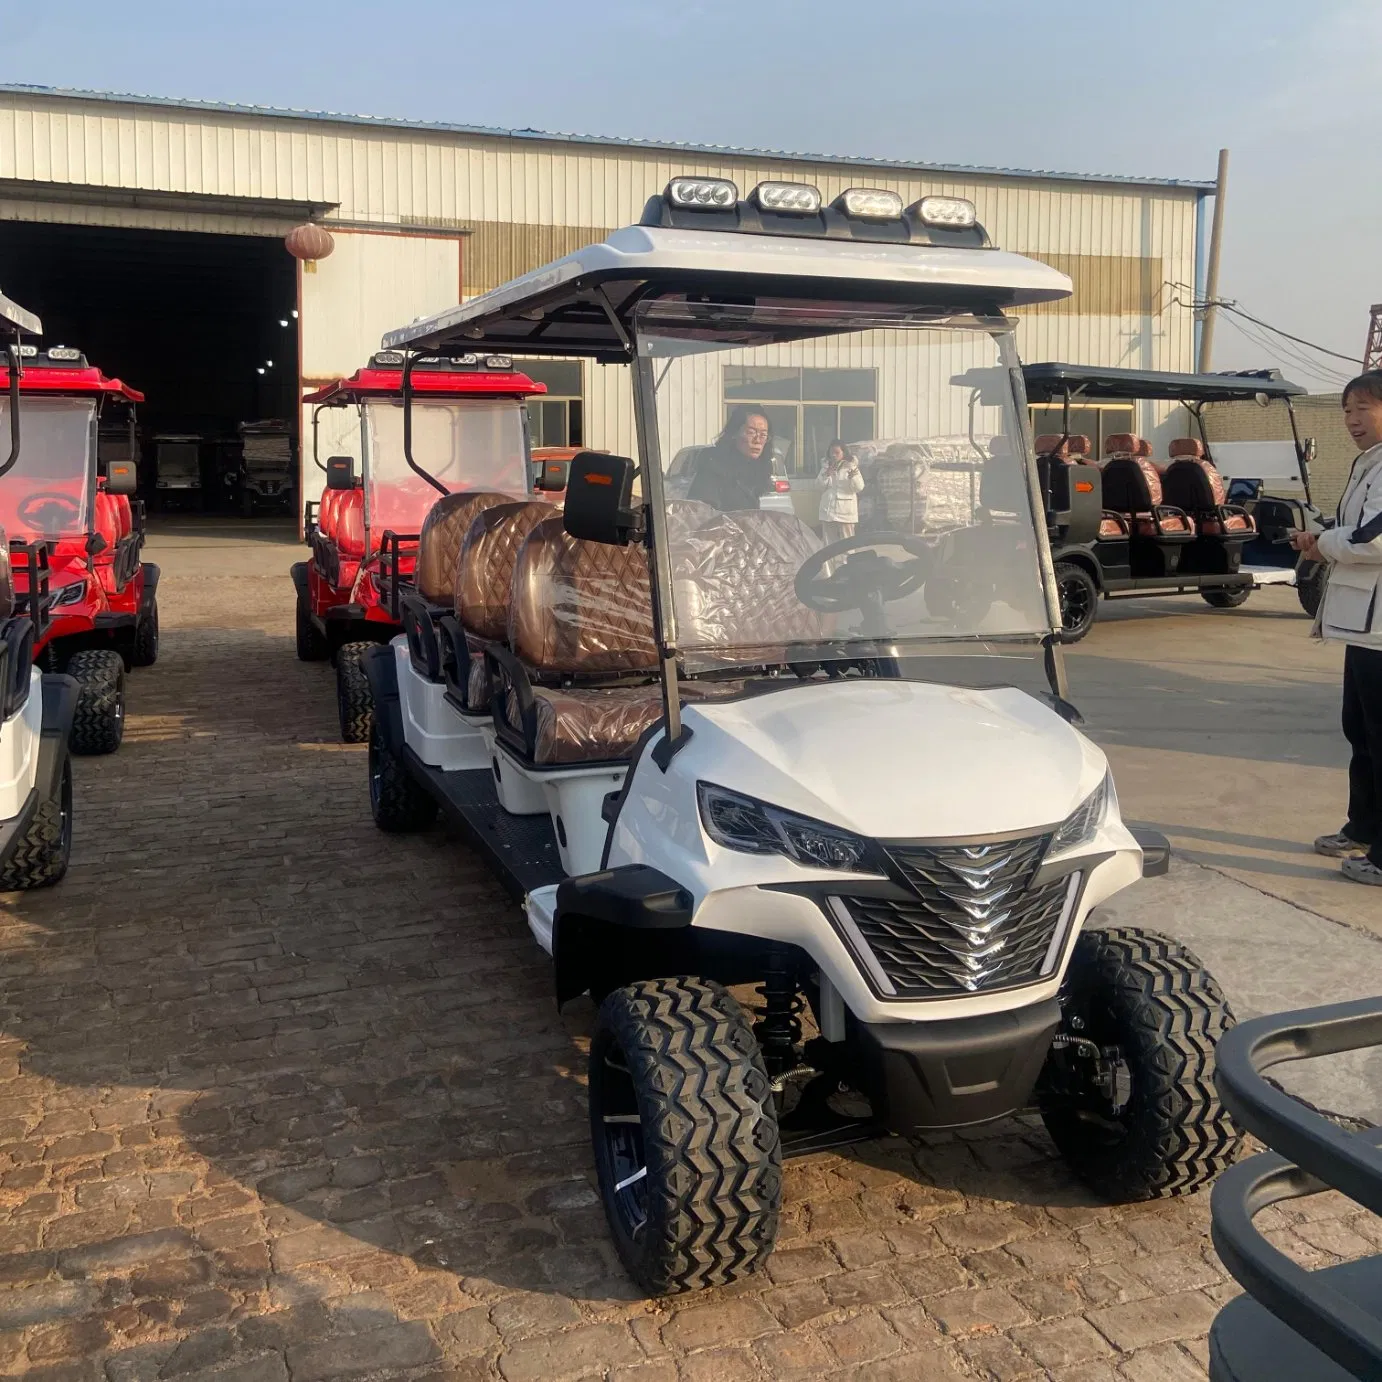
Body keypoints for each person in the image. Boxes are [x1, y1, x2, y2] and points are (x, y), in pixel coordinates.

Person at [1292, 370, 1382, 885]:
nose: (1351, 420)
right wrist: (1324, 537)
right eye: (1347, 410)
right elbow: (1357, 529)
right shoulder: (1368, 463)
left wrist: (1325, 542)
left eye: (1362, 409)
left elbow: (1372, 541)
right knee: (1362, 732)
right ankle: (1365, 826)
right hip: (1364, 628)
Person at [688, 405, 773, 511]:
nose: (758, 440)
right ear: (734, 433)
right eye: (751, 432)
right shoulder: (713, 466)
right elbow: (700, 514)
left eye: (763, 435)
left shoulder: (758, 469)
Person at [817, 439, 864, 542]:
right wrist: (826, 475)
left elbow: (859, 488)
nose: (834, 455)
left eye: (837, 452)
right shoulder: (825, 467)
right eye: (831, 453)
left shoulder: (851, 467)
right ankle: (829, 558)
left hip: (845, 510)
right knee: (828, 542)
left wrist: (853, 477)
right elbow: (818, 487)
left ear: (844, 453)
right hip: (828, 510)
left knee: (847, 541)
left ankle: (847, 558)